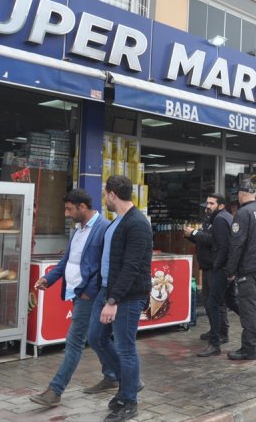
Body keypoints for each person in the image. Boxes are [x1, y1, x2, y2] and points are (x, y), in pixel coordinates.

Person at [29, 189, 114, 408]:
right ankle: (115, 375)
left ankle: (55, 390)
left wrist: (89, 290)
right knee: (100, 338)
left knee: (75, 341)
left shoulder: (103, 228)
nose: (66, 214)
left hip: (89, 295)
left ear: (82, 207)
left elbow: (106, 266)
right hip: (76, 292)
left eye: (69, 209)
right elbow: (67, 261)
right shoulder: (77, 230)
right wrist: (49, 278)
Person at [88, 175, 153, 422]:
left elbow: (131, 266)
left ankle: (129, 399)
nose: (104, 198)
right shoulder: (118, 222)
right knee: (96, 337)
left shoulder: (137, 223)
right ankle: (131, 381)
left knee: (126, 348)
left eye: (105, 194)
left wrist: (113, 300)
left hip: (126, 295)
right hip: (107, 290)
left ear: (112, 194)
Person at [224, 181, 256, 361]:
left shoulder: (243, 213)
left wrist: (230, 270)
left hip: (249, 267)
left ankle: (248, 349)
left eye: (238, 193)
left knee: (249, 309)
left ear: (242, 194)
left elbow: (236, 244)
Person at [185, 194, 238, 357]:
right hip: (214, 267)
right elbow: (208, 240)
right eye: (206, 203)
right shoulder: (214, 219)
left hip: (217, 269)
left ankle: (218, 339)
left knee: (216, 303)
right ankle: (252, 330)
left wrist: (194, 234)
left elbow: (219, 244)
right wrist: (193, 236)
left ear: (221, 205)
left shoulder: (221, 220)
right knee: (221, 302)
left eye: (211, 203)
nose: (207, 206)